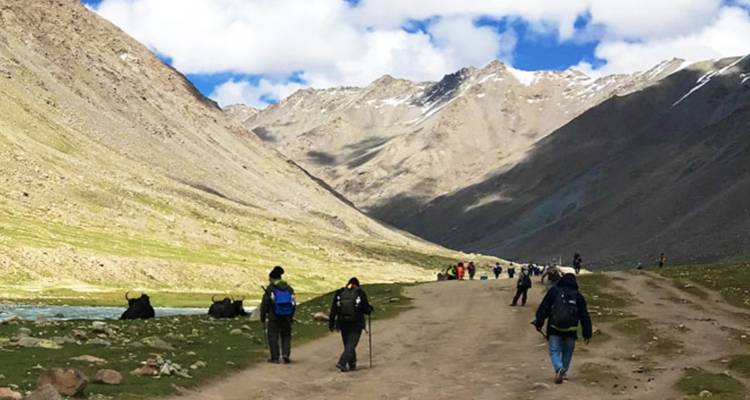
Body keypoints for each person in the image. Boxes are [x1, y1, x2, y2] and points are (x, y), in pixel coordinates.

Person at [533, 273, 592, 384]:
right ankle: (563, 372)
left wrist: (539, 322)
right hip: (571, 329)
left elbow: (544, 307)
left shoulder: (554, 291)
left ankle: (559, 368)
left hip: (554, 327)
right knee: (567, 351)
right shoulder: (578, 296)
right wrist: (587, 334)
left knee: (554, 350)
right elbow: (584, 315)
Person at [329, 277, 373, 372]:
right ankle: (342, 362)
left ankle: (352, 363)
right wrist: (370, 309)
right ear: (357, 285)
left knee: (347, 343)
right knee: (351, 344)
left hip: (342, 323)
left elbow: (334, 308)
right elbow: (366, 309)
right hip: (356, 323)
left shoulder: (340, 293)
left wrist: (331, 323)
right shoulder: (360, 293)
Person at [260, 266, 296, 364]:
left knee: (273, 336)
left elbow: (265, 304)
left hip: (274, 316)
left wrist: (263, 316)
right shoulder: (289, 288)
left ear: (272, 278)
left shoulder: (271, 289)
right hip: (287, 315)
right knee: (286, 335)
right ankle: (285, 354)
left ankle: (275, 357)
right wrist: (291, 315)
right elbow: (293, 303)